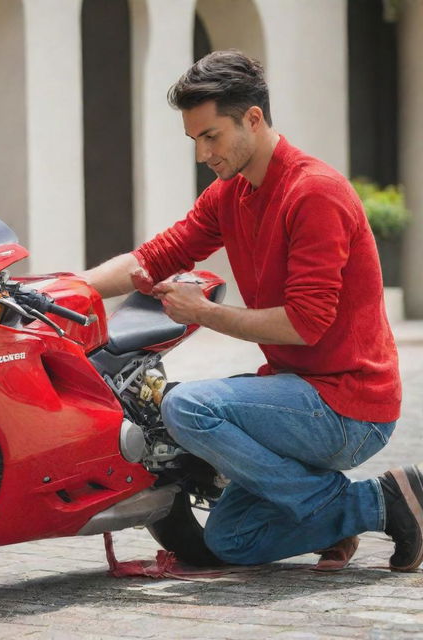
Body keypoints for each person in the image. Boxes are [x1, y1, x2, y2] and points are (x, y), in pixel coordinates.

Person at [83, 50, 423, 572]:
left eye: (211, 136)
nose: (202, 153)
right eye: (194, 139)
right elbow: (156, 257)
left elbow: (304, 325)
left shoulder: (314, 193)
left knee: (188, 407)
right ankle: (371, 506)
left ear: (254, 119)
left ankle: (352, 506)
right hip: (297, 396)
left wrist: (202, 313)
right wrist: (69, 288)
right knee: (232, 540)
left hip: (349, 405)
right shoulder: (231, 194)